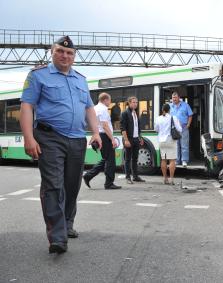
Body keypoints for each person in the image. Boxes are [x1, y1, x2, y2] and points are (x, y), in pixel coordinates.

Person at [20, 36, 102, 254]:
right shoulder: (38, 76)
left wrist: (95, 132)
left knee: (72, 185)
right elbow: (27, 106)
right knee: (54, 185)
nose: (65, 56)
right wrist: (29, 137)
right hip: (49, 138)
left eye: (69, 53)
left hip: (77, 139)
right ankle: (57, 236)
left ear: (74, 56)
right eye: (60, 51)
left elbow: (88, 109)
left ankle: (67, 223)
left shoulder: (81, 79)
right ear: (52, 51)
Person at [83, 93, 121, 190]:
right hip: (104, 136)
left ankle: (88, 175)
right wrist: (112, 139)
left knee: (105, 158)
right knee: (110, 160)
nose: (110, 102)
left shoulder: (94, 108)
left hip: (99, 135)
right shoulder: (103, 109)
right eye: (109, 100)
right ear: (105, 100)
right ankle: (108, 183)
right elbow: (105, 125)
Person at [154, 104, 182, 185]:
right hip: (170, 140)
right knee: (172, 160)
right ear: (169, 110)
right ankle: (171, 179)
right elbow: (179, 129)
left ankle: (165, 179)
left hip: (161, 141)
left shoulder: (158, 118)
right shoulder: (173, 118)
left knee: (163, 160)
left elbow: (156, 129)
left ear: (162, 110)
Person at [120, 96, 145, 184]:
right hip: (128, 139)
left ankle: (135, 176)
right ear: (129, 103)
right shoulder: (125, 113)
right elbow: (123, 128)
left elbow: (138, 128)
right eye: (133, 102)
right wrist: (126, 140)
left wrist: (140, 137)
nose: (135, 104)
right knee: (127, 159)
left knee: (135, 158)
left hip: (136, 139)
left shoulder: (135, 113)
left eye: (136, 102)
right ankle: (127, 177)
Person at [170, 91, 193, 167]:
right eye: (173, 98)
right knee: (176, 145)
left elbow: (190, 115)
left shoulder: (185, 105)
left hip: (184, 128)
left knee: (184, 145)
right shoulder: (170, 106)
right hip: (174, 129)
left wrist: (188, 125)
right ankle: (177, 160)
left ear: (179, 98)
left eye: (175, 97)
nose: (174, 99)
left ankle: (184, 161)